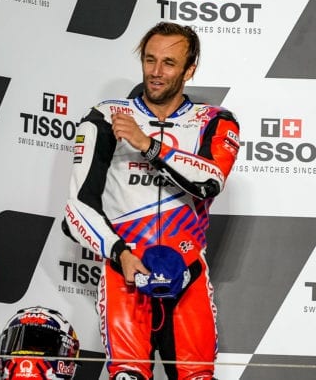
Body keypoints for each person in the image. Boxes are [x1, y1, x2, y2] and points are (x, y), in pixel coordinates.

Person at [62, 21, 240, 379]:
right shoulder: (106, 116)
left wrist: (148, 145)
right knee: (127, 375)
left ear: (190, 70)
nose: (156, 73)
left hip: (187, 277)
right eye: (149, 60)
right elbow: (76, 210)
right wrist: (120, 254)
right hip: (125, 275)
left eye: (169, 63)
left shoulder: (214, 121)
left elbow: (209, 180)